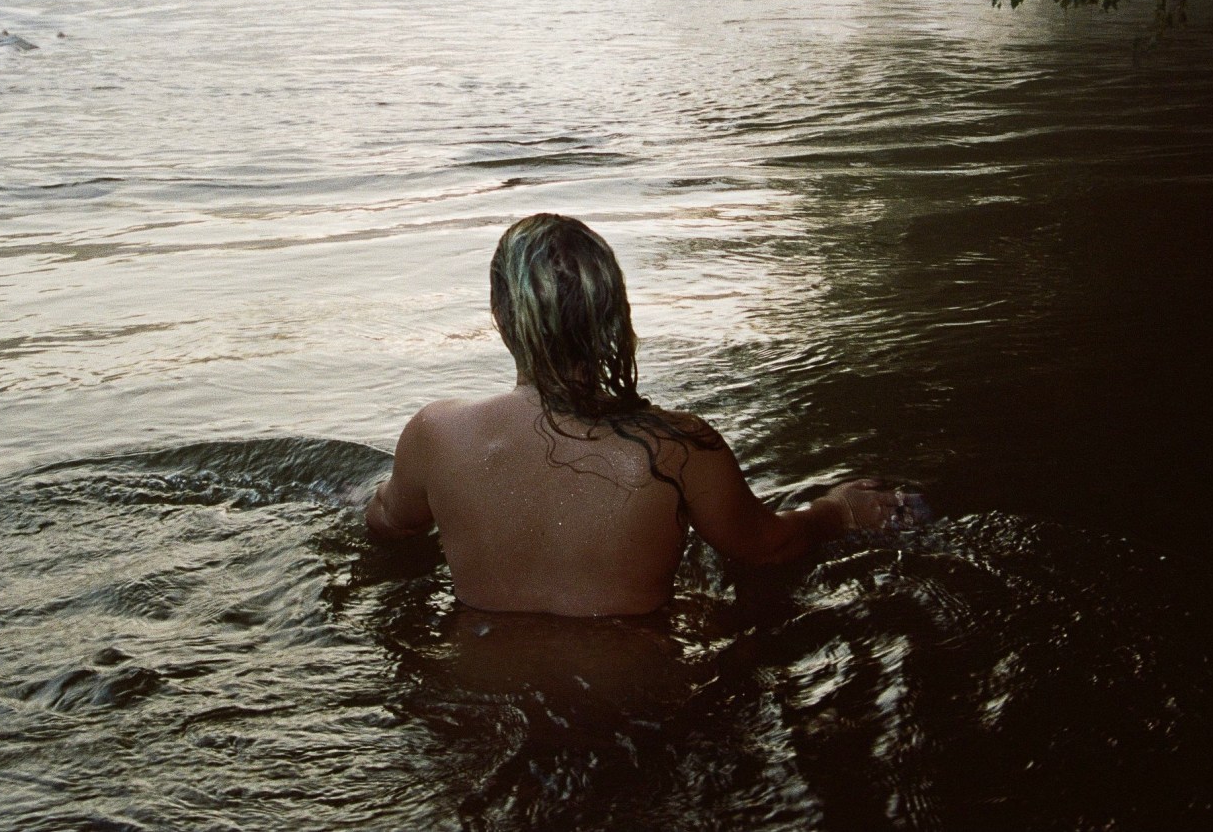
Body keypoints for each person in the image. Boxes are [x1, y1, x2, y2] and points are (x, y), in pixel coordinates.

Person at [365, 213, 926, 617]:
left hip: (474, 703)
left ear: (498, 314)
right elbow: (769, 546)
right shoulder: (675, 447)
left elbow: (388, 522)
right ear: (613, 313)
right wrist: (835, 512)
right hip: (634, 705)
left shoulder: (435, 435)